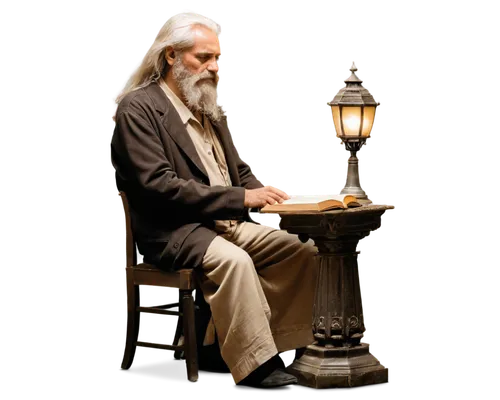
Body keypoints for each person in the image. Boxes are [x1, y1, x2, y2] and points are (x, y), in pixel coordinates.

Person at [110, 10, 318, 386]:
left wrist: (266, 194)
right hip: (176, 230)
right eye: (202, 58)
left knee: (301, 250)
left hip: (223, 223)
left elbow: (238, 171)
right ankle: (256, 368)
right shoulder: (138, 109)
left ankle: (281, 346)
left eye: (217, 59)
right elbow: (160, 186)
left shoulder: (206, 103)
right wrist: (242, 199)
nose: (212, 67)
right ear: (171, 55)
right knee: (235, 262)